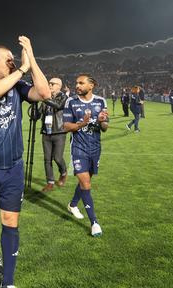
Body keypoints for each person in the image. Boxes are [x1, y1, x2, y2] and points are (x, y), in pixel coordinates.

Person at [0, 36, 52, 288]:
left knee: (10, 220)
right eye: (8, 60)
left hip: (12, 166)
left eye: (14, 60)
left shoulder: (18, 85)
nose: (13, 63)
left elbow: (45, 93)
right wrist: (22, 69)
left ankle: (8, 282)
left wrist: (31, 57)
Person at [63, 73, 109, 237]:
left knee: (86, 182)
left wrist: (102, 120)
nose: (77, 86)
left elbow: (104, 128)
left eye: (81, 83)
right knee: (86, 183)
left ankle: (73, 204)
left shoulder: (101, 101)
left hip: (95, 147)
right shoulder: (71, 101)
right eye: (76, 83)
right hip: (78, 147)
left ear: (91, 85)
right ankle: (94, 223)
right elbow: (66, 126)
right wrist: (82, 123)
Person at [39, 77, 68, 192]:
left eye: (52, 84)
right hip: (46, 132)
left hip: (59, 131)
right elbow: (39, 114)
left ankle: (63, 172)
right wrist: (34, 111)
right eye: (49, 83)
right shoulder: (47, 98)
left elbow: (57, 105)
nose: (50, 85)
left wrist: (44, 98)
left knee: (57, 158)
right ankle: (50, 182)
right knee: (47, 159)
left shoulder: (63, 97)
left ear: (59, 86)